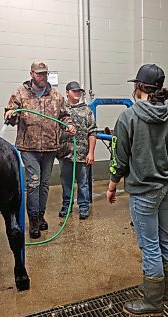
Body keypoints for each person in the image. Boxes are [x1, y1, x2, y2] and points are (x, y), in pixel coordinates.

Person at [106, 64, 168, 316]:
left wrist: (111, 187)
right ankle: (163, 291)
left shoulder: (128, 117)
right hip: (167, 187)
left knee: (150, 245)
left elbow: (119, 159)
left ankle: (153, 302)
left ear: (138, 87)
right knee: (163, 238)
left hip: (143, 192)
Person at [4, 60, 76, 239]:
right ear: (31, 74)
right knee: (34, 183)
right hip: (29, 147)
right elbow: (10, 115)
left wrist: (70, 125)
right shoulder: (20, 94)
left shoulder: (56, 96)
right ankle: (34, 221)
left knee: (44, 185)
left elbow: (64, 115)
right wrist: (10, 115)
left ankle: (41, 215)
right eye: (39, 73)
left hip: (51, 147)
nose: (42, 77)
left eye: (45, 73)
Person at [57, 81, 97, 219]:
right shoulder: (61, 110)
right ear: (67, 92)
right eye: (75, 91)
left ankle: (84, 207)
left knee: (83, 183)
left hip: (82, 154)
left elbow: (92, 132)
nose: (77, 93)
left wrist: (91, 152)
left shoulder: (87, 111)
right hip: (65, 154)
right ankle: (66, 206)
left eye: (79, 91)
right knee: (66, 182)